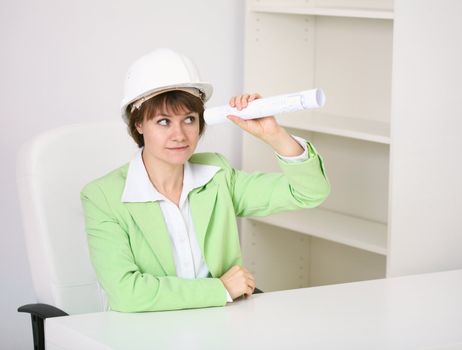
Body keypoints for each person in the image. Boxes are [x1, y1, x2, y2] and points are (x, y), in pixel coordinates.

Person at [80, 48, 330, 312]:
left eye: (189, 119)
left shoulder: (217, 175)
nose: (180, 135)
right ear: (139, 124)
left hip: (222, 327)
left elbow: (309, 192)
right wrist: (221, 289)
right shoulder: (102, 197)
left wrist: (273, 134)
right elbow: (126, 293)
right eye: (164, 122)